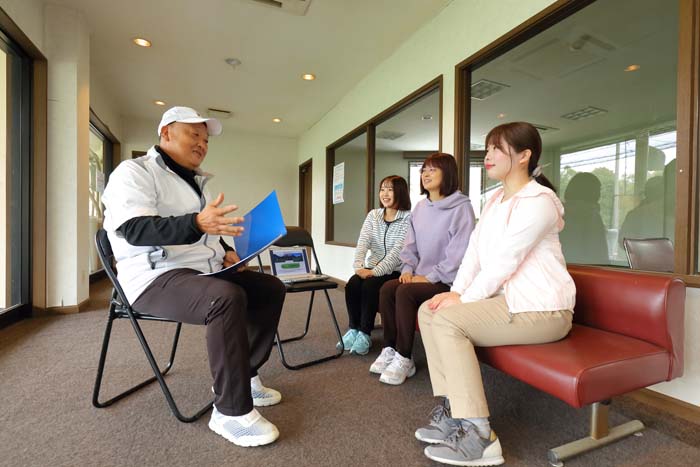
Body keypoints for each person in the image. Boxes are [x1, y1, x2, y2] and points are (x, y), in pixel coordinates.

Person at [102, 106, 286, 447]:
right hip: (152, 278)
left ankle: (242, 376)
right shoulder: (134, 172)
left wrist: (227, 250)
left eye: (205, 138)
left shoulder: (195, 182)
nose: (202, 143)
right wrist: (198, 224)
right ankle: (230, 412)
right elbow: (135, 229)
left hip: (200, 272)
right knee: (225, 298)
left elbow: (205, 231)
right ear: (166, 132)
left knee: (269, 288)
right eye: (194, 135)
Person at [415, 122, 575, 466]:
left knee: (446, 322)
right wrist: (455, 293)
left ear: (524, 156)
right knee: (429, 310)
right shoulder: (495, 201)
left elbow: (506, 260)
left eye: (496, 149)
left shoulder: (540, 202)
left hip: (544, 309)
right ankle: (455, 410)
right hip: (510, 304)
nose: (487, 156)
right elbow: (473, 254)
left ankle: (479, 436)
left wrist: (463, 301)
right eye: (487, 149)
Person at [371, 153, 476, 385]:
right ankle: (389, 347)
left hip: (447, 280)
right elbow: (410, 245)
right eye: (423, 170)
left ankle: (405, 357)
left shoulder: (462, 208)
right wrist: (407, 269)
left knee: (405, 292)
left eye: (432, 170)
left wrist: (427, 278)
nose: (425, 174)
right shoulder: (420, 208)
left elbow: (458, 256)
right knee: (388, 289)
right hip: (419, 275)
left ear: (447, 173)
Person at [339, 175, 412, 355]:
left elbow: (397, 253)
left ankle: (365, 333)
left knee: (371, 286)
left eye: (390, 189)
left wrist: (374, 272)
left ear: (400, 192)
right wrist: (358, 267)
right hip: (371, 267)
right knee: (353, 283)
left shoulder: (408, 218)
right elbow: (363, 241)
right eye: (382, 189)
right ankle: (353, 328)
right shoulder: (374, 215)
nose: (385, 194)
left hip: (394, 270)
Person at [559, 172, 608, 264]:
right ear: (591, 191)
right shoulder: (591, 215)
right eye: (598, 190)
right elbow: (598, 252)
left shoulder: (559, 212)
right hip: (587, 271)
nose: (599, 194)